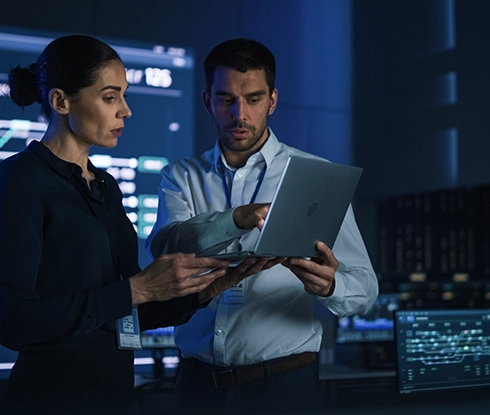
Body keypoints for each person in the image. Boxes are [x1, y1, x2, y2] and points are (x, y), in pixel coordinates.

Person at [0, 35, 278, 415]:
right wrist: (135, 288)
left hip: (113, 397)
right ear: (61, 101)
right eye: (110, 97)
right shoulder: (18, 180)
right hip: (49, 398)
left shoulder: (104, 186)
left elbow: (127, 309)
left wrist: (206, 289)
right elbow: (12, 321)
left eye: (124, 96)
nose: (126, 111)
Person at [145, 38, 379, 414]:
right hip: (197, 387)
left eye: (253, 99)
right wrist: (236, 220)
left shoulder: (316, 177)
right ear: (207, 100)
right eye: (225, 99)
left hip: (286, 387)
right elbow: (166, 247)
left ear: (272, 100)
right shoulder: (181, 176)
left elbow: (365, 289)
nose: (239, 114)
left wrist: (332, 285)